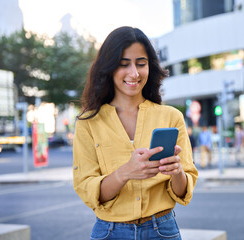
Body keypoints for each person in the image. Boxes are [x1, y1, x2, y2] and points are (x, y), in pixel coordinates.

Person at [73, 26, 198, 240]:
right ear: (109, 68)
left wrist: (177, 171)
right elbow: (88, 190)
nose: (134, 73)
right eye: (123, 65)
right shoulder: (89, 123)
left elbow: (182, 193)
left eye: (141, 64)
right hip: (109, 232)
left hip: (162, 230)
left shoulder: (171, 117)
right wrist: (125, 172)